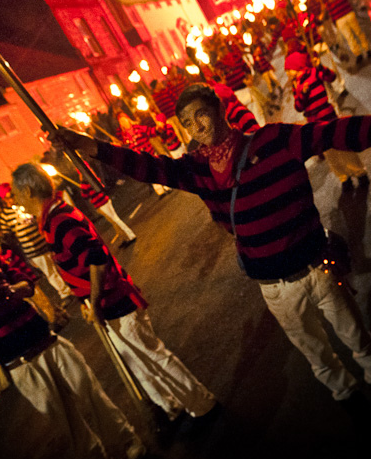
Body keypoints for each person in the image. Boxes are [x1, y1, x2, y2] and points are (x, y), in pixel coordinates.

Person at [48, 81, 371, 421]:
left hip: (319, 266)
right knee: (314, 350)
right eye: (188, 124)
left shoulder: (276, 140)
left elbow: (337, 133)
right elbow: (145, 166)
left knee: (355, 334)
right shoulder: (196, 171)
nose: (197, 128)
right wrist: (88, 145)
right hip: (274, 285)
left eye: (201, 115)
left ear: (219, 111)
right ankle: (346, 395)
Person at [0, 213, 145, 459]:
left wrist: (8, 289)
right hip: (20, 362)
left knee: (91, 391)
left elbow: (26, 284)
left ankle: (127, 440)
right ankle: (95, 457)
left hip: (46, 339)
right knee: (66, 419)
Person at [11, 163, 218, 426]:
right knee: (139, 361)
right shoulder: (51, 219)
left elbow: (97, 260)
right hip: (104, 304)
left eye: (17, 195)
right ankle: (172, 406)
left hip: (115, 302)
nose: (17, 202)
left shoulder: (59, 220)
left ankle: (203, 404)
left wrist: (94, 303)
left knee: (153, 355)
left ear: (28, 191)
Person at [285, 50, 368, 191]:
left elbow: (331, 77)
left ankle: (360, 172)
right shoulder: (295, 84)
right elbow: (298, 107)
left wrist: (320, 67)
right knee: (329, 153)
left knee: (341, 145)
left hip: (328, 116)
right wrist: (303, 94)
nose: (287, 73)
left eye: (288, 69)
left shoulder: (313, 72)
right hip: (314, 123)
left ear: (297, 66)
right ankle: (344, 177)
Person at [0, 182, 76, 309]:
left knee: (62, 265)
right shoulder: (5, 216)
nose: (12, 198)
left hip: (44, 241)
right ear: (4, 199)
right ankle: (65, 293)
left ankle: (74, 285)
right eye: (8, 197)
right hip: (32, 249)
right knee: (50, 272)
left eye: (13, 195)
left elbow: (39, 216)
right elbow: (7, 235)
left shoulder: (24, 205)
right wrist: (1, 234)